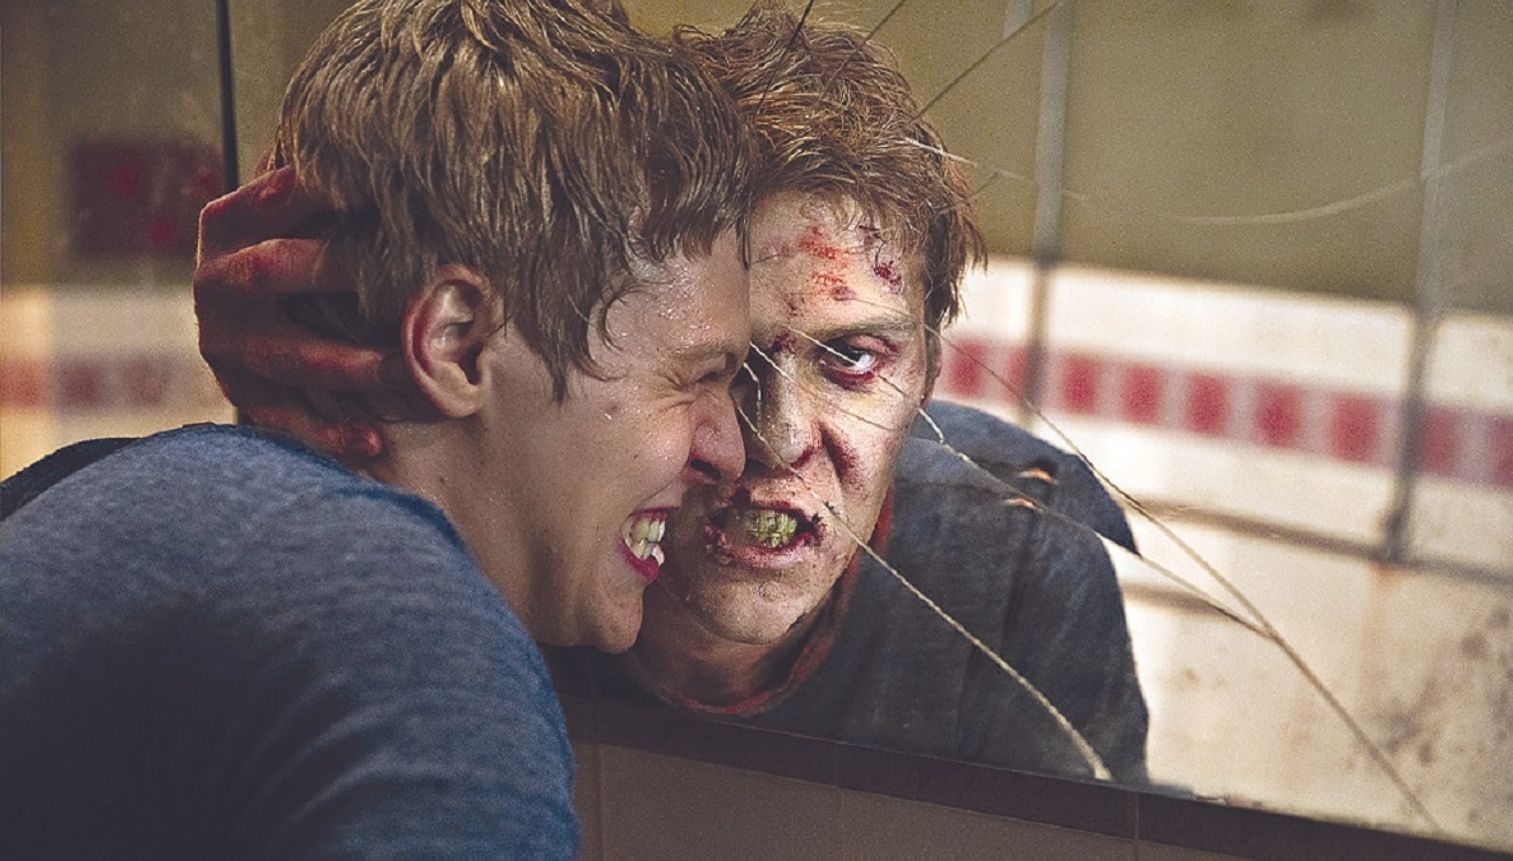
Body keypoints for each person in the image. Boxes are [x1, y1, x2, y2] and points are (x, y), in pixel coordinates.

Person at [192, 3, 1149, 784]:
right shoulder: (511, 534)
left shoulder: (1016, 564)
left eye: (852, 358)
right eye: (720, 368)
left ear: (928, 376)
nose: (772, 437)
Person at [0, 0, 754, 855]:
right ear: (457, 343)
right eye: (698, 376)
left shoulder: (94, 497)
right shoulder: (402, 637)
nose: (729, 451)